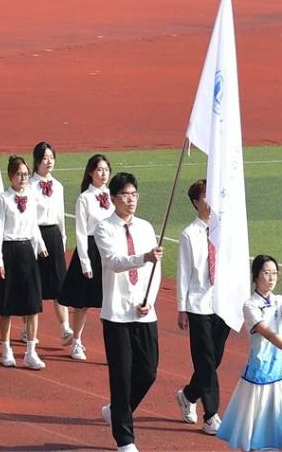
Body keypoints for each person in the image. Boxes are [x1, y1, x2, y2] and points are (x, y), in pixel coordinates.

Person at [96, 172, 164, 452]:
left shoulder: (146, 228)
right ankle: (125, 439)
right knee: (121, 376)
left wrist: (151, 300)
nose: (131, 200)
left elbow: (156, 268)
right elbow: (114, 262)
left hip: (144, 311)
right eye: (125, 195)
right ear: (114, 198)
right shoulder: (104, 228)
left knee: (148, 371)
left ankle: (116, 411)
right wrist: (142, 257)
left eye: (134, 194)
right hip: (117, 313)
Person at [216, 255, 282, 451]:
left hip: (281, 371)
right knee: (254, 423)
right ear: (256, 276)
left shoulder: (278, 300)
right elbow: (268, 334)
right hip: (259, 371)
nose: (271, 277)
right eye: (266, 273)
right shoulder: (250, 305)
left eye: (275, 273)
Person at [175, 179, 232, 435]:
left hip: (221, 302)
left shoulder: (223, 229)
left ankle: (188, 395)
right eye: (205, 196)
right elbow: (183, 273)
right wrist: (181, 307)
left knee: (215, 358)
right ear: (196, 202)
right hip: (198, 304)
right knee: (205, 359)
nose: (210, 201)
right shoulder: (189, 234)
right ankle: (211, 415)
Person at [0, 156, 47, 369]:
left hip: (27, 251)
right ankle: (6, 349)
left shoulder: (31, 196)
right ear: (10, 176)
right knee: (6, 305)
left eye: (25, 174)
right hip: (9, 250)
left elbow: (33, 225)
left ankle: (31, 351)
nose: (23, 178)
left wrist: (40, 245)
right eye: (19, 174)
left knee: (32, 304)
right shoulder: (3, 199)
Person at [58, 154, 114, 361]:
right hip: (91, 250)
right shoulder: (84, 198)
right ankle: (76, 342)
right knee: (82, 302)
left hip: (109, 249)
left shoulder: (113, 195)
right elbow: (81, 232)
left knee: (110, 301)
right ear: (91, 172)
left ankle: (113, 346)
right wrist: (85, 262)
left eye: (106, 169)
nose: (103, 173)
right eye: (99, 169)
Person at [28, 141, 73, 347]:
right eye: (45, 158)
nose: (49, 162)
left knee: (59, 284)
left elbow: (61, 215)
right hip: (34, 235)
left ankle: (65, 329)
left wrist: (62, 239)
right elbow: (29, 218)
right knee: (33, 285)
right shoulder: (29, 186)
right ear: (37, 161)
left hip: (53, 235)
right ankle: (28, 330)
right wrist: (37, 242)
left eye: (52, 158)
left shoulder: (58, 186)